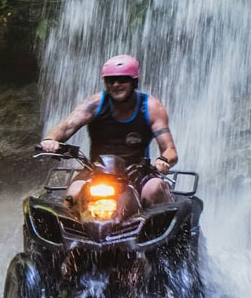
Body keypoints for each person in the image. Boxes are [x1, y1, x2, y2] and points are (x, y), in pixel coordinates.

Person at [40, 54, 178, 207]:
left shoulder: (151, 107)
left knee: (154, 189)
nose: (116, 84)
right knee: (74, 193)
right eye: (110, 80)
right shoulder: (94, 104)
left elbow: (170, 150)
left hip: (138, 172)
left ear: (134, 82)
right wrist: (50, 140)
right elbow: (66, 126)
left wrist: (163, 161)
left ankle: (157, 221)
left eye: (122, 79)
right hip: (96, 170)